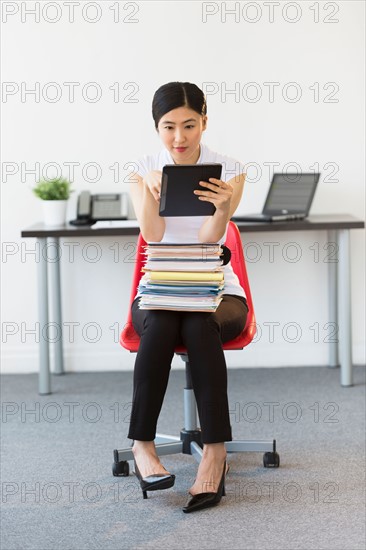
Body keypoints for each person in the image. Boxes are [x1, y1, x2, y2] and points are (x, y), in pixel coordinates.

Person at [128, 81, 248, 513]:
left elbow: (209, 239)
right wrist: (148, 190)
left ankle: (215, 453)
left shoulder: (230, 169)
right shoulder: (142, 168)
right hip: (160, 286)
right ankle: (143, 446)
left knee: (200, 322)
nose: (179, 138)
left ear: (204, 121)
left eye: (189, 125)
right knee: (161, 323)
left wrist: (222, 207)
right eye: (168, 127)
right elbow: (153, 236)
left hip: (217, 287)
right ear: (156, 127)